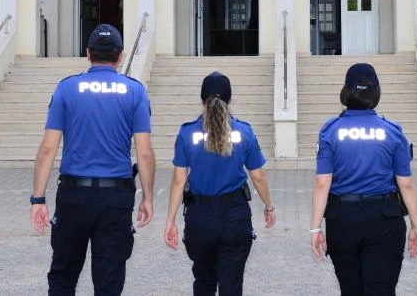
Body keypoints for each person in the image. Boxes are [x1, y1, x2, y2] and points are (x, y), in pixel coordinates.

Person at [30, 23, 156, 295]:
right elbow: (144, 152)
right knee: (109, 281)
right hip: (115, 198)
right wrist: (148, 197)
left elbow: (48, 148)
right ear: (120, 56)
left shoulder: (67, 88)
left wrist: (38, 199)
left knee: (63, 277)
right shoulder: (135, 91)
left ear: (88, 53)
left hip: (73, 196)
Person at [310, 62, 417, 296]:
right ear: (376, 92)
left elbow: (323, 183)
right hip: (384, 218)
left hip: (343, 220)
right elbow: (406, 183)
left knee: (350, 290)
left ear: (346, 91)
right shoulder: (392, 130)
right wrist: (416, 226)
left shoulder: (330, 130)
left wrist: (315, 228)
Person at [164, 72, 276, 296]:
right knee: (231, 286)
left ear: (202, 99)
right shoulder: (244, 131)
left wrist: (170, 220)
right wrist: (269, 206)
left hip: (200, 217)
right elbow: (258, 177)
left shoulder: (187, 132)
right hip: (234, 216)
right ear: (230, 99)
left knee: (204, 281)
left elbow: (178, 180)